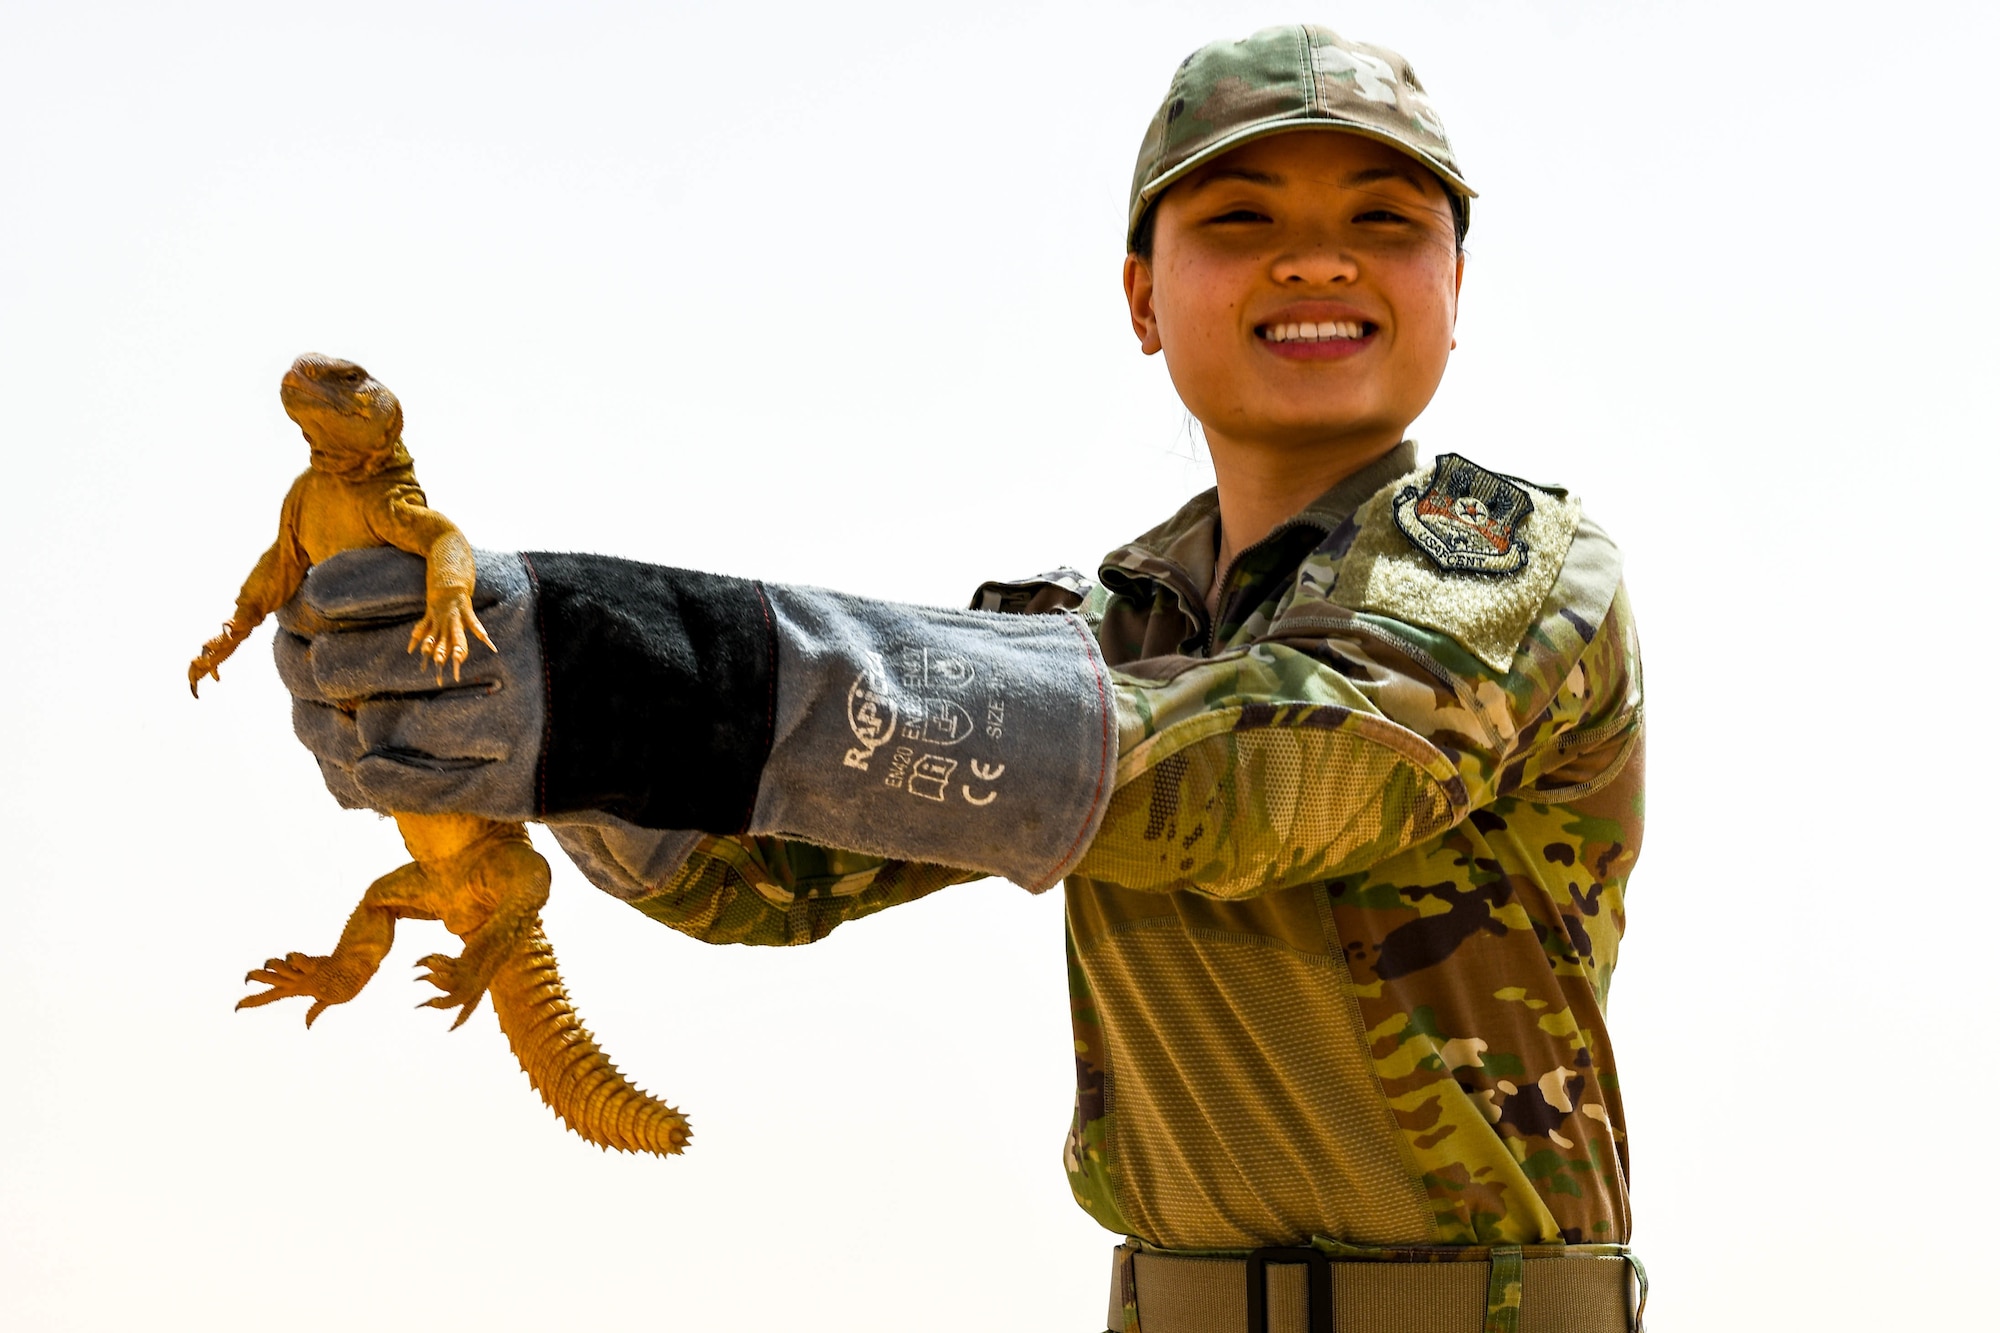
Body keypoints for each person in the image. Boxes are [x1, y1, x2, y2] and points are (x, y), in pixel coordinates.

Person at [275, 24, 1646, 1333]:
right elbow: (764, 873)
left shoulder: (1508, 569)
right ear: (1141, 297)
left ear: (1456, 286)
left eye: (1383, 222)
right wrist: (540, 715)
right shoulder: (1104, 626)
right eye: (1239, 220)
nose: (1314, 263)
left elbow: (1272, 775)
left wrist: (643, 666)